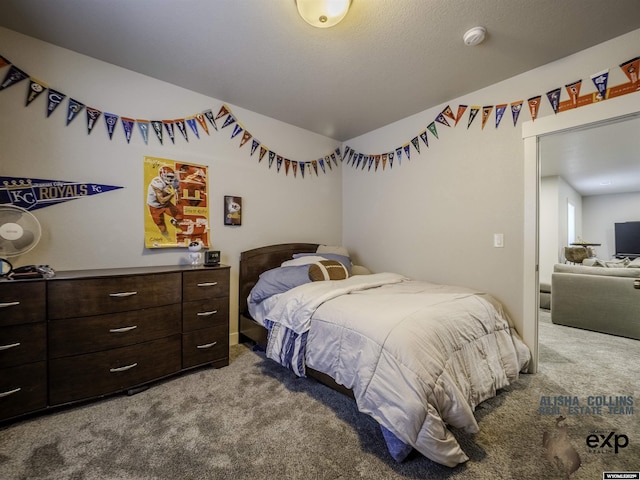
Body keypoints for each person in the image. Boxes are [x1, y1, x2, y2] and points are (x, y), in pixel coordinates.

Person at [146, 166, 182, 235]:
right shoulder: (157, 183)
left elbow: (177, 189)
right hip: (155, 206)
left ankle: (173, 222)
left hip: (166, 204)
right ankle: (165, 236)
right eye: (168, 176)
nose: (170, 179)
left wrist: (177, 191)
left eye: (171, 177)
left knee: (179, 216)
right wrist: (172, 194)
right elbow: (161, 200)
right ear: (162, 175)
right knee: (162, 227)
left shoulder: (172, 180)